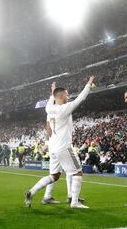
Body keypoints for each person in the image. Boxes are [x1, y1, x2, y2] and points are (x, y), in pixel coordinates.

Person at [25, 77, 94, 209]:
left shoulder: (49, 108)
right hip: (64, 147)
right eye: (67, 94)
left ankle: (32, 192)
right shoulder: (65, 108)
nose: (68, 96)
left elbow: (51, 103)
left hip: (53, 148)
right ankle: (74, 202)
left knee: (54, 176)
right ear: (62, 95)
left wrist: (52, 92)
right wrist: (88, 84)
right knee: (78, 172)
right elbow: (81, 98)